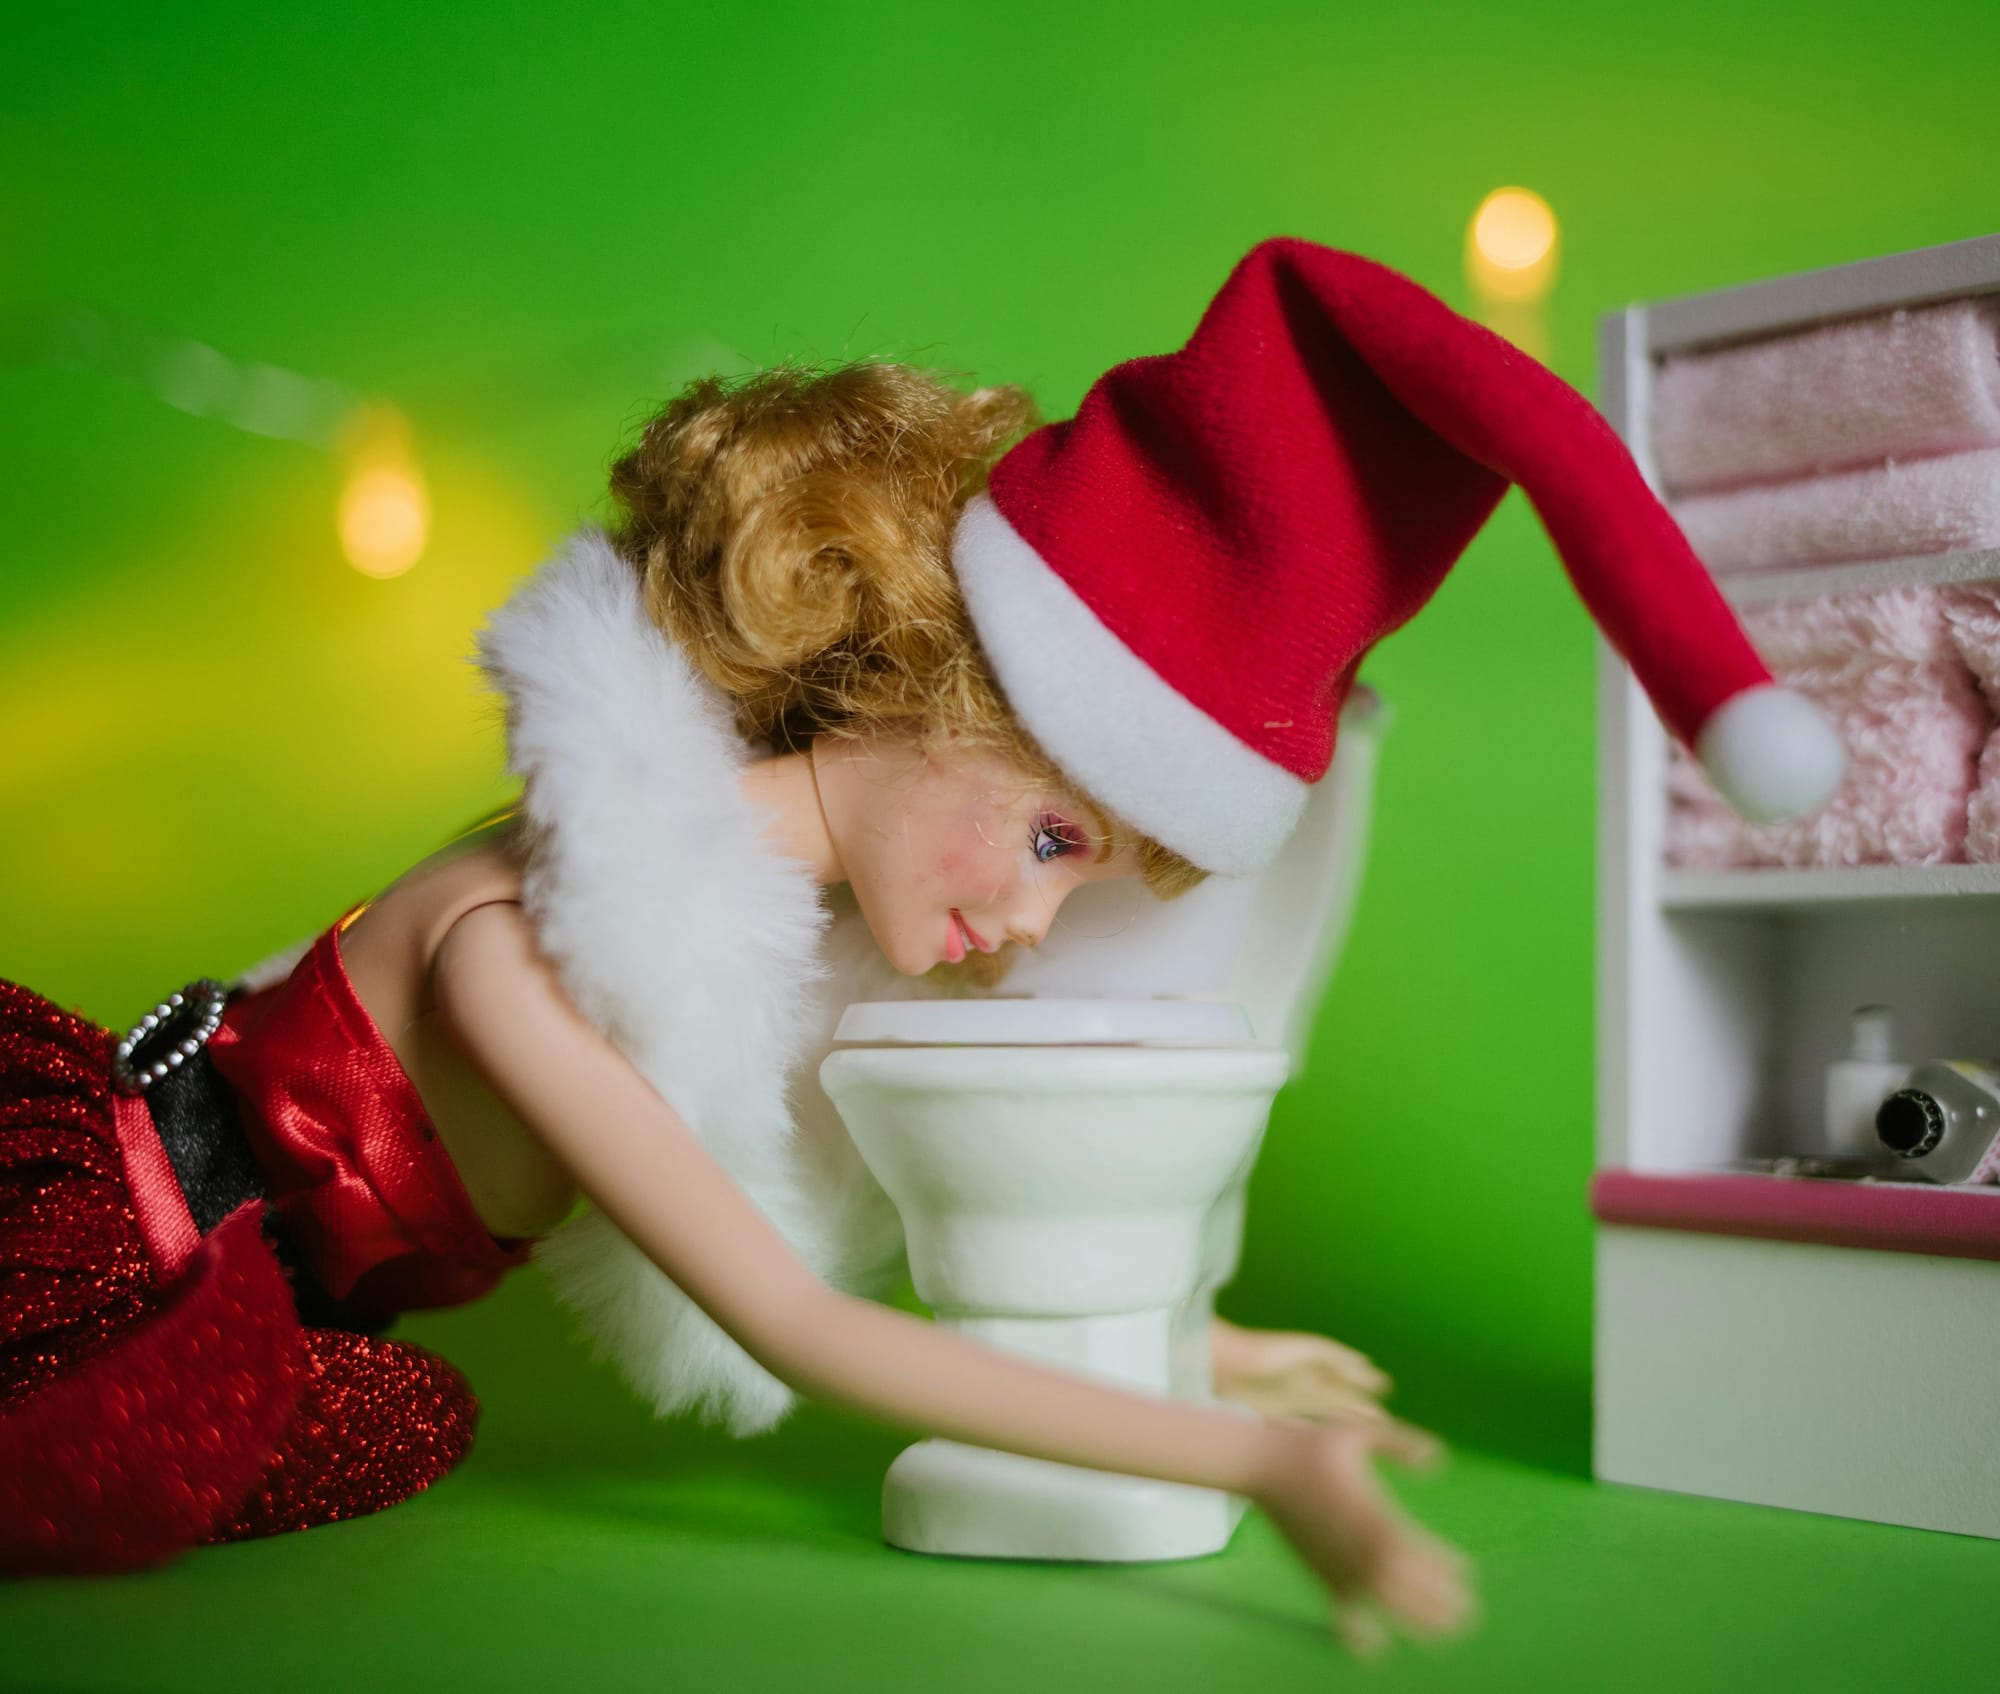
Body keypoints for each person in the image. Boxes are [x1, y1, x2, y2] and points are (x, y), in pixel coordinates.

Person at [0, 237, 1844, 1656]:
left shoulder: (752, 970)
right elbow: (802, 1321)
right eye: (1051, 837)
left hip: (305, 1331)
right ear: (927, 683)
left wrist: (1189, 1333)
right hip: (103, 1245)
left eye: (1084, 871)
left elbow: (899, 1244)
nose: (1033, 919)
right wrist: (1250, 1462)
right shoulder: (524, 946)